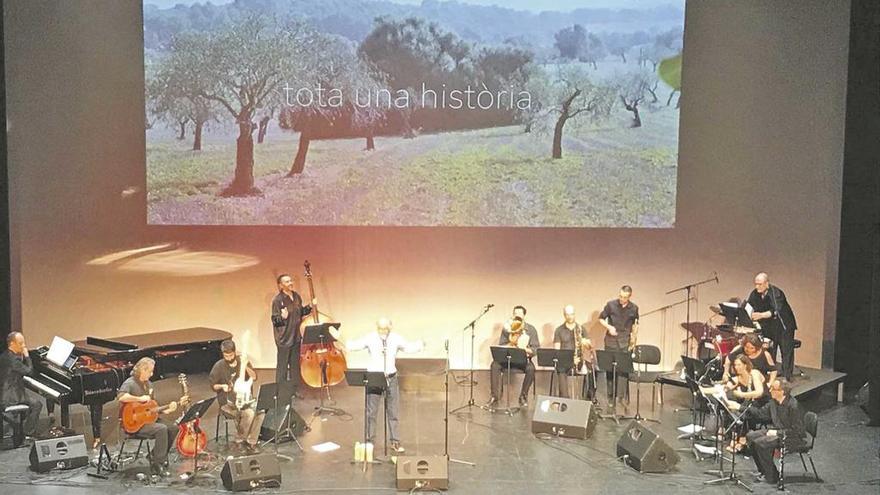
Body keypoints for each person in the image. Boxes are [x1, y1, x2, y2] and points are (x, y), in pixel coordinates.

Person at [345, 317, 423, 454]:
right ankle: (369, 442)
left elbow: (409, 347)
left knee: (393, 412)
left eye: (385, 328)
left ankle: (395, 441)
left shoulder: (396, 338)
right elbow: (353, 346)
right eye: (380, 328)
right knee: (371, 413)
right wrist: (339, 338)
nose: (383, 331)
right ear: (377, 327)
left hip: (391, 378)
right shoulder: (370, 338)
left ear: (390, 327)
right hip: (375, 378)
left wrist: (420, 344)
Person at [117, 357, 179, 477]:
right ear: (143, 370)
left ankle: (155, 455)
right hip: (133, 423)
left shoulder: (149, 384)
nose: (152, 374)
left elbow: (151, 407)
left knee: (173, 428)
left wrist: (165, 410)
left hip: (147, 419)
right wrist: (139, 399)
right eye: (150, 371)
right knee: (161, 429)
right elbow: (121, 397)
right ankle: (157, 464)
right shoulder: (130, 383)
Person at [745, 379, 806, 486]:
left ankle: (772, 476)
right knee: (751, 436)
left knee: (761, 443)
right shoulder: (773, 402)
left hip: (791, 437)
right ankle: (764, 471)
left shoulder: (793, 406)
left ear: (782, 392)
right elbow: (760, 414)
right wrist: (741, 408)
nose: (770, 390)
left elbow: (798, 431)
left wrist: (778, 433)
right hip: (777, 431)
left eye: (773, 388)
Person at [209, 339, 265, 453]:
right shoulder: (219, 366)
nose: (229, 358)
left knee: (261, 412)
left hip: (246, 400)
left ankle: (251, 442)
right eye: (226, 355)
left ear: (234, 352)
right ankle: (239, 441)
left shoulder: (242, 361)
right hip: (228, 403)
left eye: (231, 355)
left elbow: (254, 377)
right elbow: (213, 386)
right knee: (249, 414)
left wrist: (245, 365)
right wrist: (222, 386)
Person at [746, 273, 798, 380]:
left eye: (760, 284)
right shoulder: (754, 293)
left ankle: (787, 376)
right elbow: (749, 305)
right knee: (770, 349)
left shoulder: (776, 293)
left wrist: (760, 315)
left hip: (784, 325)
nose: (757, 287)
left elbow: (775, 311)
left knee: (786, 350)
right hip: (769, 326)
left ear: (767, 283)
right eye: (756, 284)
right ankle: (770, 373)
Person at [487, 305, 540, 408]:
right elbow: (501, 345)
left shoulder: (531, 329)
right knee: (495, 365)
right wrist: (511, 344)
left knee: (531, 369)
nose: (517, 317)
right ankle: (494, 396)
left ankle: (523, 396)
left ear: (524, 316)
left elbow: (535, 349)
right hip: (508, 358)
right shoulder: (507, 329)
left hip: (523, 359)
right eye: (515, 314)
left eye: (519, 315)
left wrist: (524, 348)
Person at [270, 273, 315, 389]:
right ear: (280, 285)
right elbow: (275, 321)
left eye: (290, 280)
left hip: (296, 336)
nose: (290, 283)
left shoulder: (296, 296)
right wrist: (282, 317)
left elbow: (300, 313)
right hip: (284, 339)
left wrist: (309, 307)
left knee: (295, 365)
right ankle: (281, 390)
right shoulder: (277, 300)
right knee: (283, 366)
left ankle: (295, 389)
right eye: (287, 282)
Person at [0, 332, 44, 441]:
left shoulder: (5, 355)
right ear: (12, 344)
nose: (23, 345)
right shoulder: (13, 360)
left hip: (6, 392)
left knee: (30, 401)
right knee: (37, 404)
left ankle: (20, 428)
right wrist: (27, 356)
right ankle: (28, 432)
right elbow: (29, 371)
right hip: (11, 397)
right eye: (20, 343)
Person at [599, 286, 639, 404]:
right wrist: (609, 327)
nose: (622, 298)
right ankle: (610, 397)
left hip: (624, 341)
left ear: (629, 296)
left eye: (624, 297)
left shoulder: (634, 308)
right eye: (620, 296)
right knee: (610, 369)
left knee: (623, 369)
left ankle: (620, 397)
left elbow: (635, 324)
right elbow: (601, 319)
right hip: (611, 341)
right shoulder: (611, 305)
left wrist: (633, 339)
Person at [552, 305, 595, 400]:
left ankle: (590, 398)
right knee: (561, 370)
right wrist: (570, 360)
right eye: (567, 314)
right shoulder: (559, 330)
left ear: (574, 314)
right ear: (564, 315)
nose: (570, 317)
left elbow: (589, 347)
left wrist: (586, 343)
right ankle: (565, 399)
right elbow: (557, 350)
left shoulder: (581, 328)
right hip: (565, 361)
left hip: (579, 359)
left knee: (592, 369)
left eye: (571, 314)